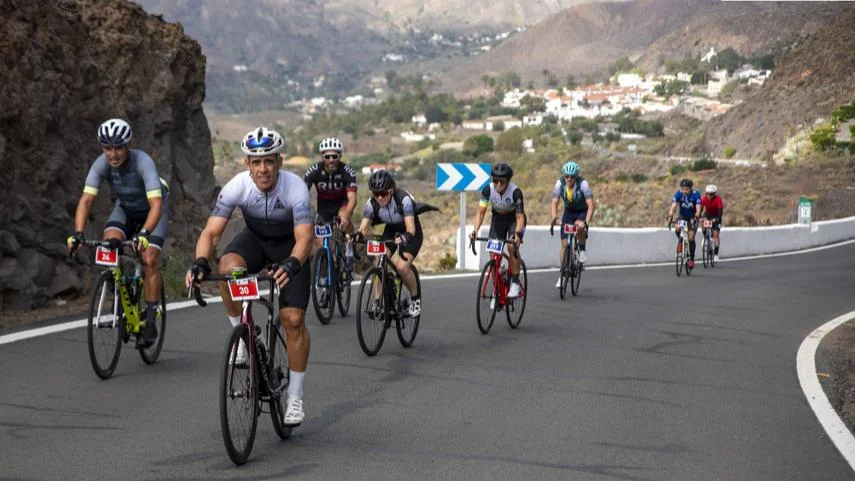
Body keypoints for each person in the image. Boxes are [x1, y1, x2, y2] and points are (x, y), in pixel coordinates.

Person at [185, 127, 313, 427]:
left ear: (279, 162)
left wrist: (293, 263)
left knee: (293, 320)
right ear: (247, 165)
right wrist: (200, 262)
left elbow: (305, 237)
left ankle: (295, 396)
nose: (263, 169)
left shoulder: (295, 188)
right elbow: (211, 232)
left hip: (291, 248)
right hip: (255, 240)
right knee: (228, 269)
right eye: (256, 162)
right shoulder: (236, 187)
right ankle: (241, 335)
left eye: (268, 161)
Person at [67, 118, 168, 347]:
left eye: (117, 148)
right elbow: (86, 200)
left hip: (153, 211)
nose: (112, 154)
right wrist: (78, 233)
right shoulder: (101, 164)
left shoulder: (143, 162)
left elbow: (157, 206)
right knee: (108, 245)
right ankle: (120, 290)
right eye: (107, 148)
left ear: (127, 145)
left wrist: (144, 233)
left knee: (149, 258)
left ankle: (150, 320)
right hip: (125, 209)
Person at [352, 169, 432, 317]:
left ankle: (415, 299)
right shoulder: (372, 203)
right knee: (378, 262)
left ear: (391, 190)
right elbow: (363, 227)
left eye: (383, 193)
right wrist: (357, 234)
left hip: (410, 231)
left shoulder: (404, 200)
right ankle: (378, 301)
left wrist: (405, 238)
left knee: (401, 267)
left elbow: (411, 229)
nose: (380, 198)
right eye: (376, 194)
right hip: (391, 229)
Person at [470, 163, 526, 298]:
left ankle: (514, 283)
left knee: (511, 247)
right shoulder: (487, 190)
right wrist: (475, 230)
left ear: (508, 181)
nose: (498, 184)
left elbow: (520, 217)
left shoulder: (515, 192)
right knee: (494, 253)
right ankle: (497, 290)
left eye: (502, 181)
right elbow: (481, 213)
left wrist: (517, 234)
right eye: (495, 180)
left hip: (514, 220)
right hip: (498, 220)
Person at [303, 137, 358, 273]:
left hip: (341, 205)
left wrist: (346, 216)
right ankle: (327, 266)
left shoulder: (347, 171)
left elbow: (352, 198)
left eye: (335, 156)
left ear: (339, 156)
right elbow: (302, 193)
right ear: (322, 156)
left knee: (343, 218)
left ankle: (349, 247)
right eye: (327, 156)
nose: (331, 159)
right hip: (324, 209)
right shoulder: (314, 170)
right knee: (322, 245)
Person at [550, 161, 595, 288]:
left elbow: (591, 205)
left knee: (579, 227)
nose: (569, 179)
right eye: (567, 176)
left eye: (572, 177)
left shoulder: (583, 184)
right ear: (563, 176)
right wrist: (554, 217)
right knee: (564, 244)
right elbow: (555, 201)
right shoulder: (560, 183)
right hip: (569, 212)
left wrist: (585, 222)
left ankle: (582, 249)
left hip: (582, 211)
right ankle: (562, 273)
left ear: (577, 176)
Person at [667, 178, 702, 268]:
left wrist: (697, 215)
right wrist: (670, 215)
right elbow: (673, 206)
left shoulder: (695, 194)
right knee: (677, 228)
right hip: (683, 216)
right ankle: (681, 241)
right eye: (683, 189)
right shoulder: (678, 194)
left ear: (691, 188)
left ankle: (691, 259)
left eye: (687, 189)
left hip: (692, 217)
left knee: (691, 238)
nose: (685, 191)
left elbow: (698, 207)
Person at [700, 184, 723, 262]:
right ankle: (704, 237)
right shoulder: (704, 199)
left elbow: (720, 212)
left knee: (716, 235)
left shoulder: (718, 199)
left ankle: (716, 255)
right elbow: (700, 209)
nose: (708, 196)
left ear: (714, 194)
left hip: (716, 216)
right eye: (707, 193)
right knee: (703, 221)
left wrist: (717, 219)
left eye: (710, 194)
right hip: (708, 214)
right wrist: (699, 217)